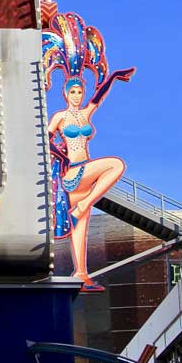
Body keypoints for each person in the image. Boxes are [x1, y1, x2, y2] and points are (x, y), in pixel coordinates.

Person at [48, 70, 134, 292]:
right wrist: (59, 153)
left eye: (80, 91)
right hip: (73, 173)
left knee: (81, 227)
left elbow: (99, 96)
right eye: (73, 92)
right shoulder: (59, 117)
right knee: (116, 164)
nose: (77, 95)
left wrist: (113, 76)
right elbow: (44, 140)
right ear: (66, 94)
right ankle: (86, 204)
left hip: (85, 173)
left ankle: (81, 275)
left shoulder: (86, 114)